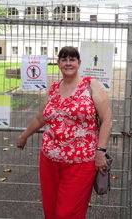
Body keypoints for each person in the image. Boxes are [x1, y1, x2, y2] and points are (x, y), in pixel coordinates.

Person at [16, 46, 112, 219]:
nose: (68, 63)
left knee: (67, 213)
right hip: (49, 160)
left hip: (80, 162)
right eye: (64, 59)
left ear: (79, 63)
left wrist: (100, 152)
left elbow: (107, 120)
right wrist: (24, 136)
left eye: (72, 59)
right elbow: (40, 118)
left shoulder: (91, 86)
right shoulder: (53, 89)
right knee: (51, 211)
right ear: (58, 63)